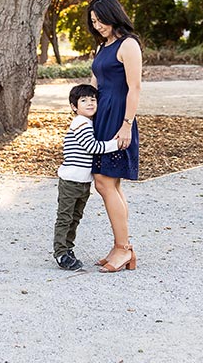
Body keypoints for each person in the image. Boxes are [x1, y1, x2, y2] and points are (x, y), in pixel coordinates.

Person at [86, 0, 141, 273]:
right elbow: (94, 85)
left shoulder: (128, 45)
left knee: (105, 182)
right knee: (110, 184)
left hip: (119, 117)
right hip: (100, 117)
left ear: (113, 15)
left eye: (101, 20)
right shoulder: (103, 46)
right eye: (93, 22)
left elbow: (135, 88)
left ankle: (124, 248)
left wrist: (127, 124)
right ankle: (121, 246)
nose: (98, 26)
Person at [53, 84, 119, 270]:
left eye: (92, 99)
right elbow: (92, 147)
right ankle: (60, 253)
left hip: (83, 182)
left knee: (75, 217)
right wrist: (116, 144)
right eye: (83, 100)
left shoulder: (89, 123)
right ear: (74, 106)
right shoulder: (80, 122)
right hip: (71, 181)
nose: (89, 103)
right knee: (65, 217)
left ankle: (68, 248)